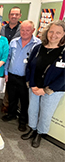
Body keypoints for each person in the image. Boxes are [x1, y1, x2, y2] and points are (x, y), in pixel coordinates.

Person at [21, 20, 65, 148]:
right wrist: (32, 84)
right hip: (35, 87)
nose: (53, 35)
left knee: (46, 113)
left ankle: (40, 133)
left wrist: (47, 90)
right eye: (51, 31)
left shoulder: (64, 51)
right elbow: (29, 67)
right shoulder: (38, 48)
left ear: (63, 34)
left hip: (53, 90)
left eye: (58, 33)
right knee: (32, 110)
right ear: (47, 32)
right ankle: (33, 129)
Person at [2, 20, 41, 132]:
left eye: (27, 30)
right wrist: (6, 73)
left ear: (33, 30)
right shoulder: (14, 42)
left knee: (24, 101)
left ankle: (23, 121)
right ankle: (11, 114)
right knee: (12, 97)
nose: (24, 32)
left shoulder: (37, 44)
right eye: (22, 30)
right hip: (12, 75)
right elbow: (8, 58)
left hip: (26, 78)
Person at [0, 6, 22, 113]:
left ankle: (6, 103)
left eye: (16, 14)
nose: (14, 16)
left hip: (13, 59)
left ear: (20, 16)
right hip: (0, 59)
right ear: (8, 16)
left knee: (9, 83)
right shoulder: (2, 28)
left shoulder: (22, 29)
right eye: (12, 14)